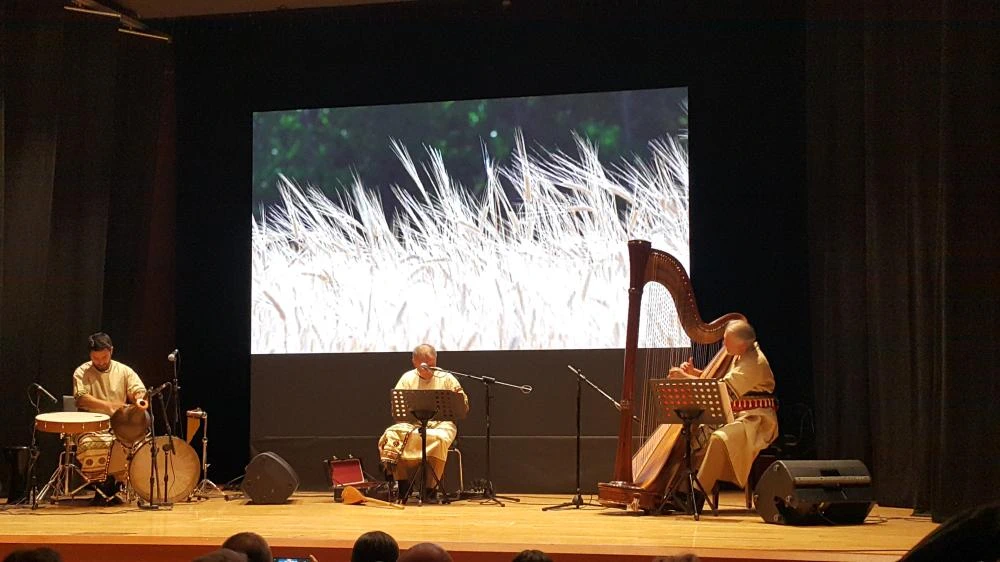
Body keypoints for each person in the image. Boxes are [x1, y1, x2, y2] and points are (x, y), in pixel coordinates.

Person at [667, 319, 778, 501]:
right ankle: (680, 492)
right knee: (696, 437)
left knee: (719, 438)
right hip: (737, 416)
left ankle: (697, 495)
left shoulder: (754, 363)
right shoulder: (741, 355)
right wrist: (696, 373)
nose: (723, 345)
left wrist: (685, 377)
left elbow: (722, 390)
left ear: (742, 345)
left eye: (727, 341)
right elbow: (723, 383)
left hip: (757, 420)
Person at [378, 344, 468, 498]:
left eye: (431, 364)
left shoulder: (447, 378)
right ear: (414, 362)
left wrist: (458, 401)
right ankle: (403, 484)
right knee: (392, 434)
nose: (428, 369)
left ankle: (430, 488)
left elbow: (463, 406)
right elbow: (397, 409)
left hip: (441, 424)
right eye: (423, 365)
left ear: (436, 360)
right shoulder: (407, 378)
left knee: (439, 439)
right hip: (414, 424)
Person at [73, 332, 146, 415]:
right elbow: (81, 399)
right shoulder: (82, 371)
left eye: (104, 357)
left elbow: (138, 390)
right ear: (89, 354)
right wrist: (109, 405)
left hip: (118, 420)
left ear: (111, 350)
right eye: (95, 358)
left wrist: (138, 397)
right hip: (91, 421)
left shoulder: (124, 371)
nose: (101, 362)